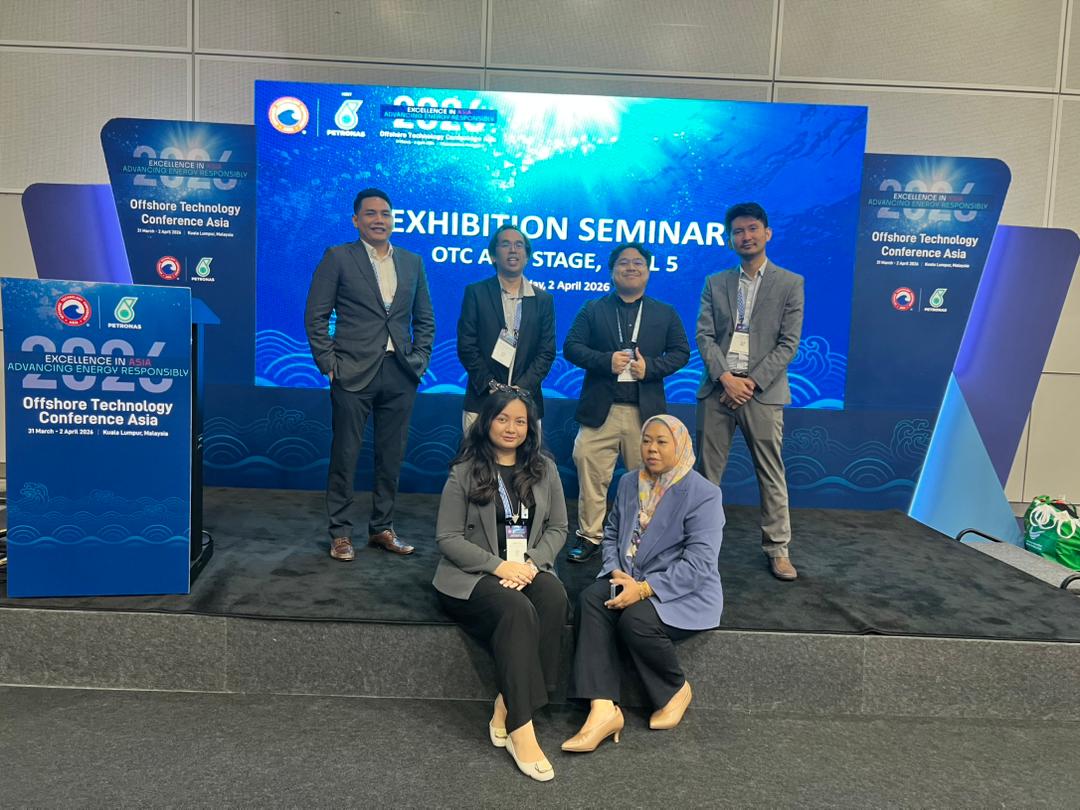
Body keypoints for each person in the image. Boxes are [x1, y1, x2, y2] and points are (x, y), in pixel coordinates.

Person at [563, 414, 724, 752]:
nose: (651, 449)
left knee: (635, 620)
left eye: (661, 442)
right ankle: (602, 708)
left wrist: (645, 589)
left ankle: (674, 689)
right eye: (646, 440)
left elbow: (699, 565)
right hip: (629, 580)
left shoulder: (703, 494)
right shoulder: (628, 482)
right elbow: (610, 534)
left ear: (679, 446)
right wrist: (614, 571)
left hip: (680, 592)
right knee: (592, 598)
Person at [433, 388, 569, 782]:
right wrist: (499, 567)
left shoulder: (546, 469)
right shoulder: (464, 471)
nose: (512, 428)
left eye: (520, 421)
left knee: (555, 596)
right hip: (472, 577)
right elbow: (448, 538)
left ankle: (509, 702)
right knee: (516, 610)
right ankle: (521, 729)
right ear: (486, 421)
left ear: (531, 428)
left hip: (527, 568)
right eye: (503, 418)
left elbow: (559, 527)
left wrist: (530, 564)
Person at [304, 188, 435, 562]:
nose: (379, 219)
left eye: (386, 213)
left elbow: (424, 318)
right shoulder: (338, 257)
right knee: (345, 454)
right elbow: (316, 315)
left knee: (391, 456)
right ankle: (340, 533)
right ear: (356, 220)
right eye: (371, 213)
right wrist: (329, 364)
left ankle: (382, 528)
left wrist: (419, 358)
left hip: (400, 373)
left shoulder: (411, 262)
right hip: (352, 372)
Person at [563, 242, 690, 564]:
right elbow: (572, 347)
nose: (631, 268)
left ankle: (641, 538)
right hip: (600, 412)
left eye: (638, 263)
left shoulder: (665, 312)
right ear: (612, 271)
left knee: (646, 479)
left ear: (648, 271)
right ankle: (590, 536)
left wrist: (652, 369)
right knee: (591, 475)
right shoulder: (593, 309)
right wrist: (606, 360)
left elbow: (681, 352)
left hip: (644, 415)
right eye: (623, 263)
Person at [695, 202, 803, 581]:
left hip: (763, 392)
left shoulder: (790, 283)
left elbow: (788, 344)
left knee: (771, 473)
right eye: (738, 231)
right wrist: (726, 378)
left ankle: (778, 548)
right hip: (718, 390)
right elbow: (705, 337)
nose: (746, 236)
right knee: (706, 475)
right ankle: (698, 548)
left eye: (753, 229)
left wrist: (750, 383)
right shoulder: (716, 283)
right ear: (729, 239)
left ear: (767, 233)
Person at [457, 224, 556, 431]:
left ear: (527, 256)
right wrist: (491, 386)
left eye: (519, 245)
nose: (513, 250)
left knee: (525, 463)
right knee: (476, 463)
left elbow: (546, 352)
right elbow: (467, 346)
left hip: (527, 403)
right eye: (506, 244)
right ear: (493, 256)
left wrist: (521, 389)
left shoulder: (543, 300)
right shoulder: (476, 293)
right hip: (482, 400)